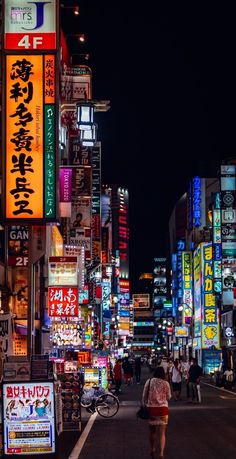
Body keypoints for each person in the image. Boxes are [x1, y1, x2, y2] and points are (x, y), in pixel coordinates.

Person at [142, 366, 171, 459]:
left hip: (152, 410)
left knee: (152, 432)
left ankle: (152, 448)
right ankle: (161, 453)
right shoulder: (166, 383)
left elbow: (144, 395)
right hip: (163, 410)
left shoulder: (149, 381)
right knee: (162, 433)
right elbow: (169, 397)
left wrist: (145, 403)